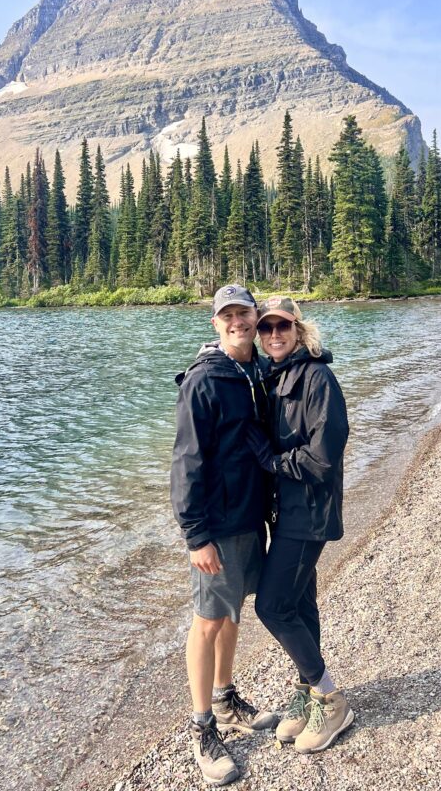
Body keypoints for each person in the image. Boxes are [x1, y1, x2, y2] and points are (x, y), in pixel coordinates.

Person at [170, 285, 278, 786]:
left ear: (256, 317)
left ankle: (226, 697)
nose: (237, 321)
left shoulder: (256, 369)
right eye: (227, 315)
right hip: (215, 524)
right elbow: (186, 462)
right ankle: (202, 727)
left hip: (249, 518)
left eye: (244, 313)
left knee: (232, 611)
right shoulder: (204, 380)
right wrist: (196, 537)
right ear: (215, 323)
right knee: (208, 620)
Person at [249, 295, 354, 753]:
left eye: (282, 327)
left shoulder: (317, 377)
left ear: (299, 330)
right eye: (267, 328)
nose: (274, 334)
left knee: (272, 607)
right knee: (302, 603)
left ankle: (330, 698)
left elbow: (324, 456)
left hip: (309, 512)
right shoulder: (274, 377)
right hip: (287, 511)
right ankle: (308, 691)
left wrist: (272, 462)